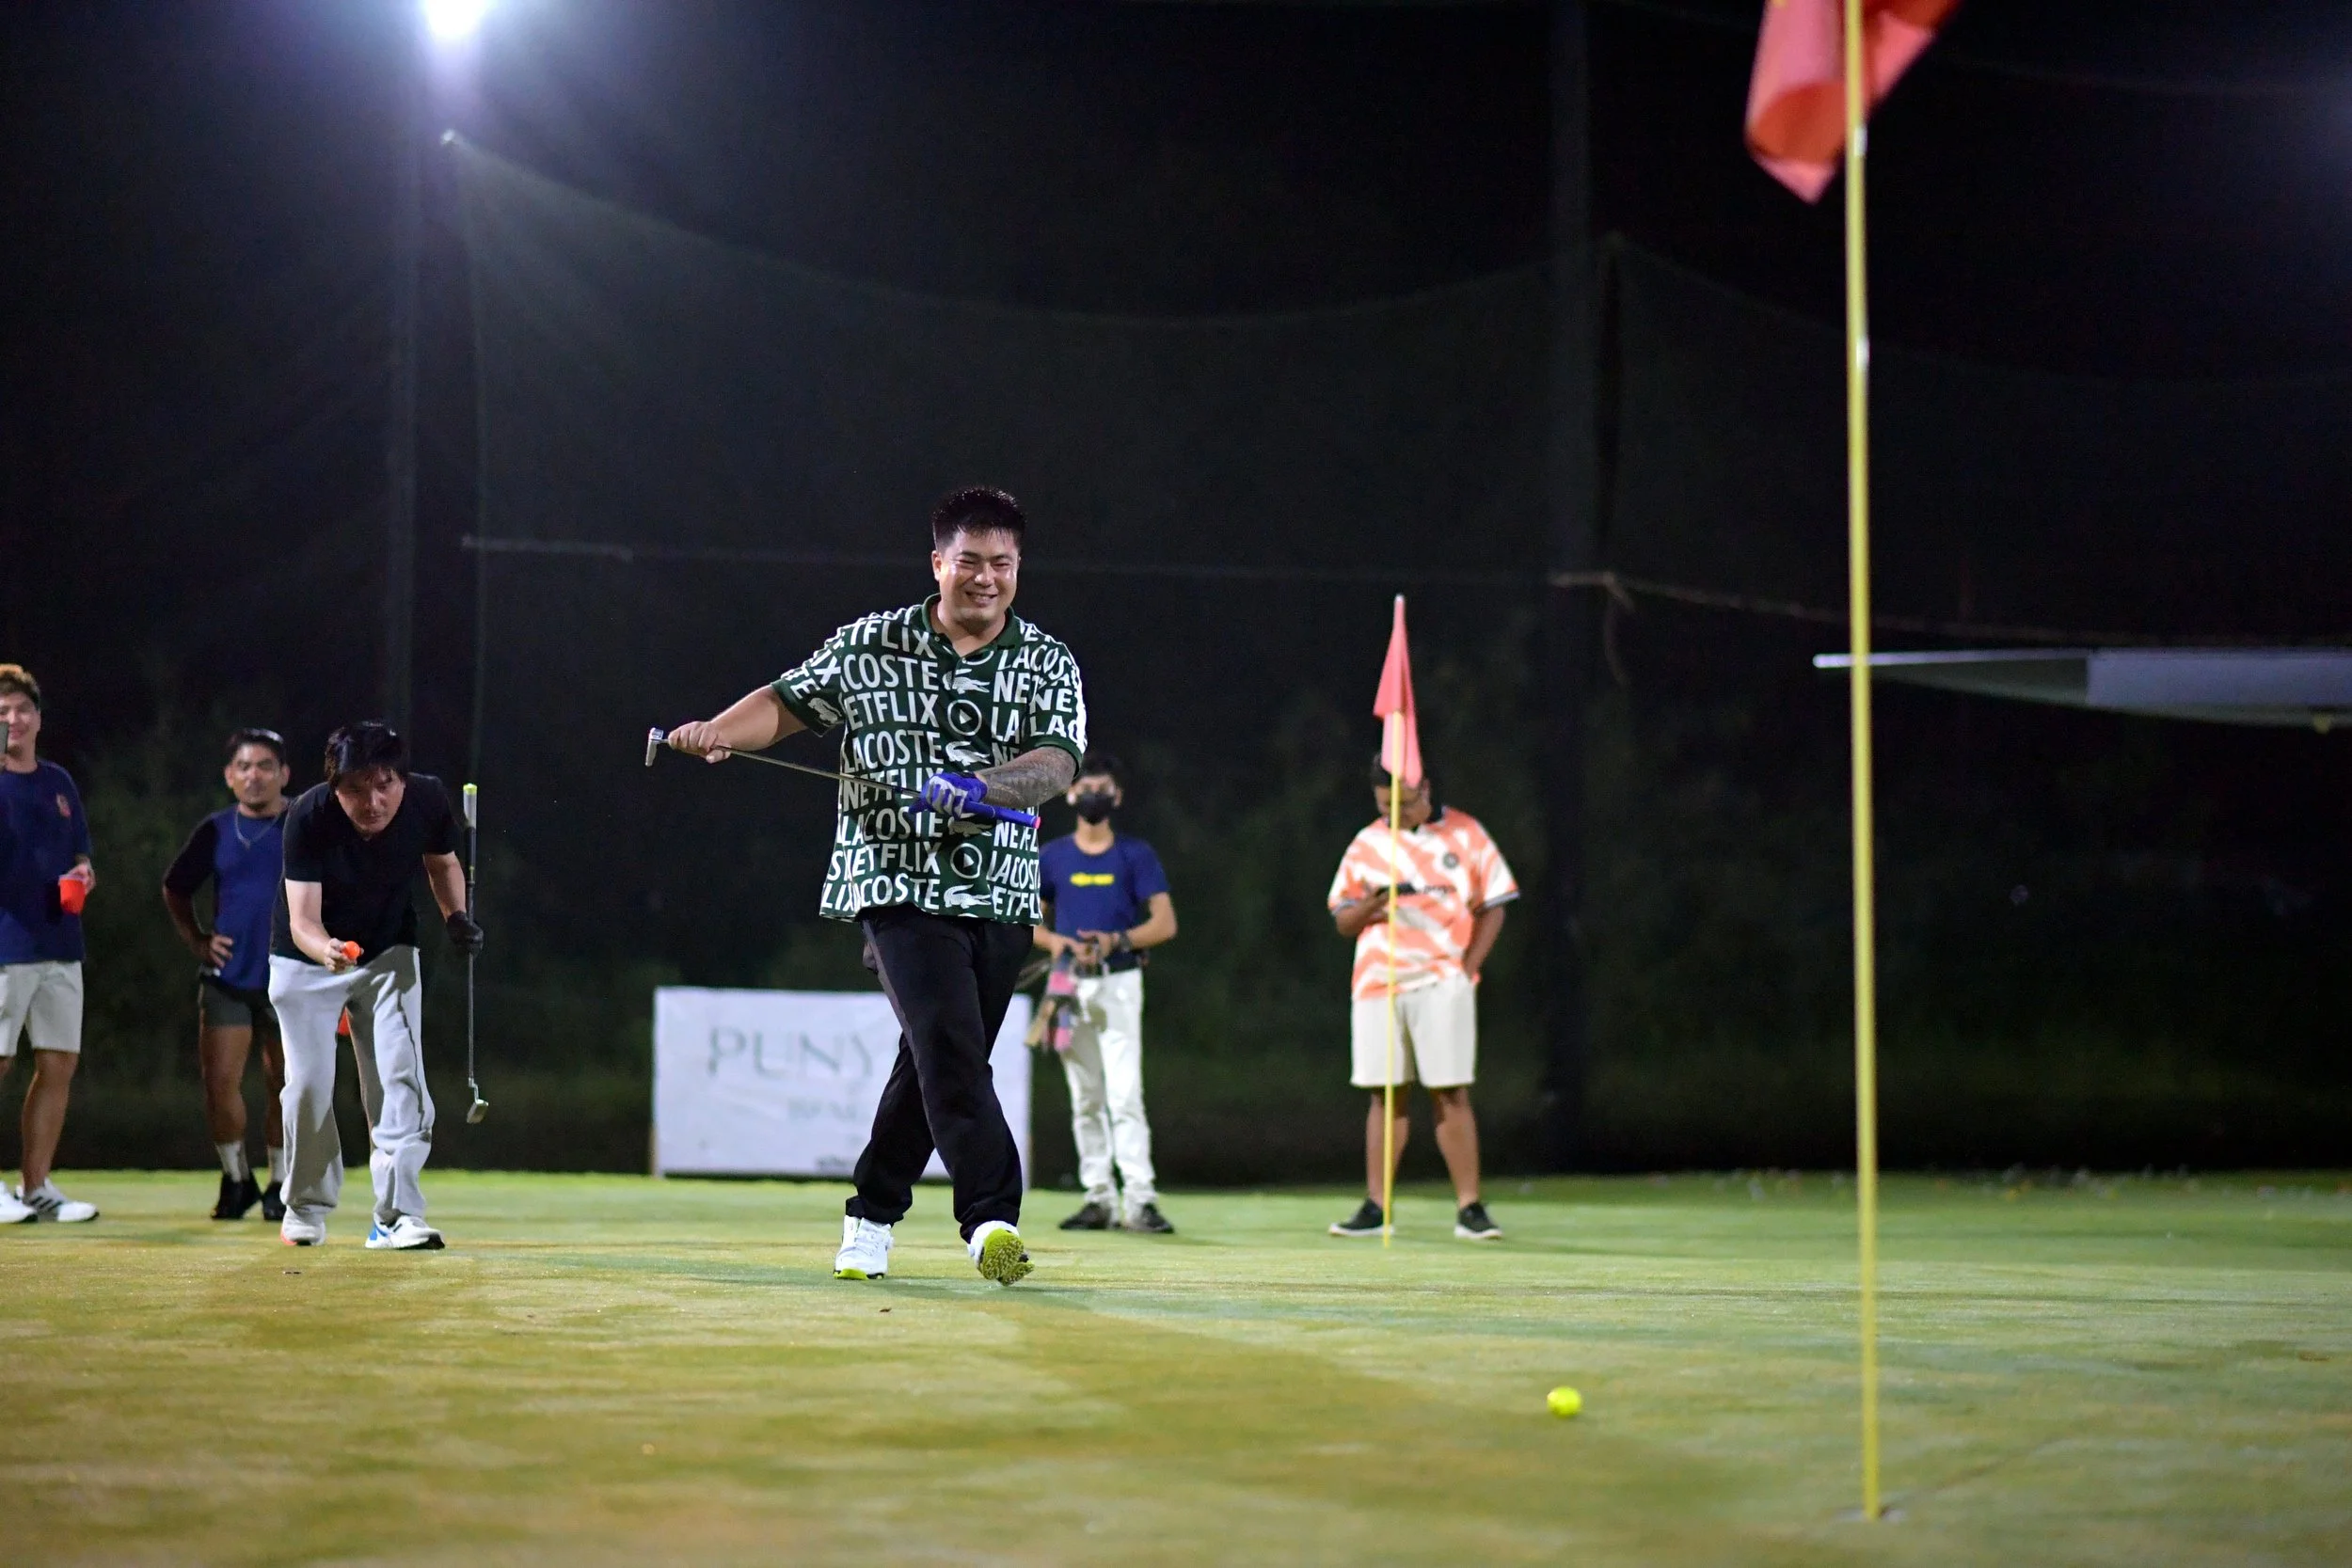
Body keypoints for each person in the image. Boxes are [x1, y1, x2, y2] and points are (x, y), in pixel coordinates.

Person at [663, 486, 1086, 1287]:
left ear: (1019, 568)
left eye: (1002, 564)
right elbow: (785, 706)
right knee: (952, 1049)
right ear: (938, 563)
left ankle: (869, 1217)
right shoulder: (869, 644)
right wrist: (720, 730)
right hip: (895, 885)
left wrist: (984, 787)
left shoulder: (1048, 660)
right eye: (970, 562)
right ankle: (991, 1217)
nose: (986, 578)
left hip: (1000, 897)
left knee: (930, 1058)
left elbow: (1055, 763)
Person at [267, 721, 482, 1250]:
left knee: (400, 1077)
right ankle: (306, 1206)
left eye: (385, 783)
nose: (373, 800)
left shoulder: (428, 798)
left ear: (403, 781)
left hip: (388, 951)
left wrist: (456, 916)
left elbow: (443, 863)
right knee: (308, 1087)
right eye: (357, 788)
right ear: (335, 787)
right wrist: (327, 951)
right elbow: (303, 921)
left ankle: (396, 1215)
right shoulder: (308, 814)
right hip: (306, 960)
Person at [1325, 756, 1517, 1242]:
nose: (1396, 813)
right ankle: (1376, 1206)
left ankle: (1470, 1208)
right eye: (1386, 805)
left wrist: (1466, 969)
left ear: (1425, 788)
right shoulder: (1368, 843)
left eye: (1404, 803)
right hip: (1378, 982)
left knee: (1450, 1091)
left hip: (1440, 981)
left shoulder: (1466, 833)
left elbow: (1494, 904)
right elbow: (1343, 921)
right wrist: (1371, 904)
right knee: (1385, 1093)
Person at [1034, 752, 1178, 1233]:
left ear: (1116, 796)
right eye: (1085, 786)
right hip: (1067, 986)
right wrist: (1059, 942)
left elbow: (1164, 923)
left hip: (1119, 981)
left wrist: (1117, 940)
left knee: (1125, 1094)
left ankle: (1139, 1199)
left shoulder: (1135, 854)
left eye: (1102, 786)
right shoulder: (1052, 855)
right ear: (1070, 795)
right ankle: (1098, 1198)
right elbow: (1029, 919)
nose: (1093, 794)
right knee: (1085, 1097)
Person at [163, 728, 294, 1222]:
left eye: (264, 765)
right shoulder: (216, 830)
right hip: (228, 977)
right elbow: (175, 888)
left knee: (286, 1083)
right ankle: (236, 1178)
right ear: (229, 777)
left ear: (284, 774)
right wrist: (198, 939)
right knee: (220, 1082)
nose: (254, 775)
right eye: (244, 767)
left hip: (292, 974)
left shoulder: (303, 823)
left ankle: (281, 1182)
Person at [0, 665, 99, 1225]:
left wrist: (84, 875)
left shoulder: (59, 781)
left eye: (20, 709)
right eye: (1, 712)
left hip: (61, 942)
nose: (12, 719)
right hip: (4, 943)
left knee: (59, 1062)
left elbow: (81, 854)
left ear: (37, 717)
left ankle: (36, 1186)